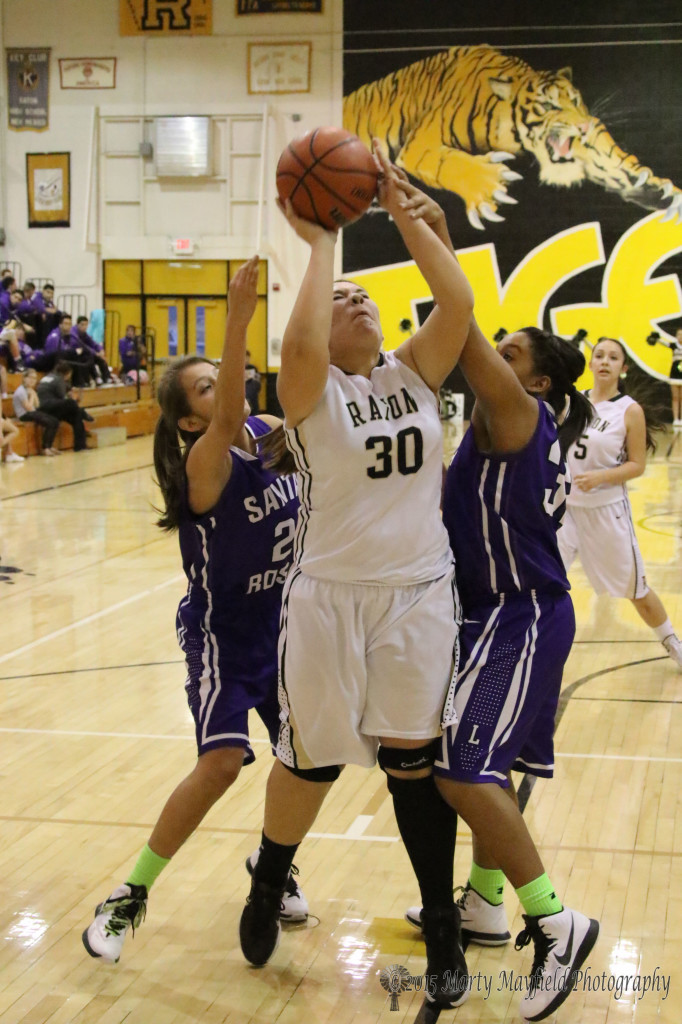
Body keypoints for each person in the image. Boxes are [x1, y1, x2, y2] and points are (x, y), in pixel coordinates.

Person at [238, 142, 475, 1013]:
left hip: (417, 593)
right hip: (328, 599)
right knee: (311, 763)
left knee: (413, 762)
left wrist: (409, 217)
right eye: (343, 300)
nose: (358, 298)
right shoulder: (309, 390)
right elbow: (299, 337)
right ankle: (269, 878)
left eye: (364, 296)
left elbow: (458, 299)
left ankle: (444, 925)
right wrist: (321, 243)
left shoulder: (414, 373)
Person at [396, 179, 599, 1022]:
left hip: (521, 615)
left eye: (514, 354)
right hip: (485, 619)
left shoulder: (517, 414)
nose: (498, 361)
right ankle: (483, 901)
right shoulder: (478, 436)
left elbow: (460, 328)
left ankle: (557, 922)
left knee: (462, 767)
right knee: (485, 766)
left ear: (539, 384)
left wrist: (434, 235)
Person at [82, 256, 308, 965]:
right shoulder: (205, 464)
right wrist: (238, 316)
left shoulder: (270, 435)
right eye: (209, 385)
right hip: (223, 637)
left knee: (307, 761)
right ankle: (128, 896)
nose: (228, 390)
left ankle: (274, 868)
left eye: (227, 375)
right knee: (220, 767)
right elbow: (238, 410)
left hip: (286, 628)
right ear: (188, 418)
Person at [558, 336, 682, 670]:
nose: (604, 361)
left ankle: (672, 641)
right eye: (599, 355)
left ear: (622, 368)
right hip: (565, 512)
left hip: (606, 512)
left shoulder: (629, 410)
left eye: (613, 357)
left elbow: (637, 465)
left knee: (635, 589)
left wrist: (601, 477)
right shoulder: (572, 402)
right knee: (544, 581)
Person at [36, 361, 93, 452]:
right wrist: (73, 399)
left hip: (46, 406)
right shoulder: (59, 380)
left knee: (77, 416)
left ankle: (81, 445)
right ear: (67, 373)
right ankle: (83, 413)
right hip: (49, 407)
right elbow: (63, 398)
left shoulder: (48, 376)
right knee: (71, 403)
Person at [13, 367, 60, 455]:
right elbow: (29, 408)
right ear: (24, 378)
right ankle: (45, 448)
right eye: (30, 377)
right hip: (24, 415)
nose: (32, 380)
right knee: (49, 422)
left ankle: (49, 446)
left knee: (55, 421)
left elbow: (37, 405)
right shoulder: (21, 391)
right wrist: (31, 395)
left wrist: (33, 394)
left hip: (32, 412)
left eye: (34, 378)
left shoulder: (30, 390)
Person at [71, 315, 111, 384]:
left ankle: (107, 378)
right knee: (90, 357)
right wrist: (95, 353)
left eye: (86, 325)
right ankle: (96, 377)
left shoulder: (84, 334)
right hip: (76, 354)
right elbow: (83, 346)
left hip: (86, 352)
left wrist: (100, 349)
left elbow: (92, 343)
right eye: (82, 325)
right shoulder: (73, 333)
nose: (84, 327)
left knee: (101, 359)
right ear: (77, 325)